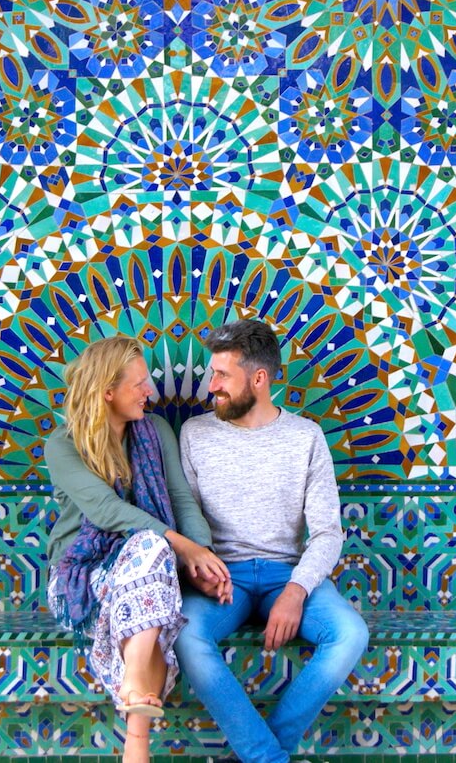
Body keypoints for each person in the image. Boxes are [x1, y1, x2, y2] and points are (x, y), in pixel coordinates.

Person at [175, 319, 369, 763]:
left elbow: (327, 533)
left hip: (288, 573)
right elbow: (187, 521)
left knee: (349, 634)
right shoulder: (195, 434)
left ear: (259, 379)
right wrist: (197, 569)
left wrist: (297, 590)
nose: (212, 386)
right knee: (184, 636)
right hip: (223, 579)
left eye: (222, 375)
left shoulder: (306, 437)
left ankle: (261, 754)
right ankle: (269, 758)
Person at [44, 335, 232, 763]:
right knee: (150, 546)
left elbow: (181, 500)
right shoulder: (63, 445)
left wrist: (203, 560)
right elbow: (107, 510)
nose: (150, 392)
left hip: (151, 573)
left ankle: (134, 725)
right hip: (81, 576)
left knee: (151, 563)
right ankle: (137, 712)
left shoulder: (156, 431)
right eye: (139, 384)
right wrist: (182, 547)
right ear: (107, 391)